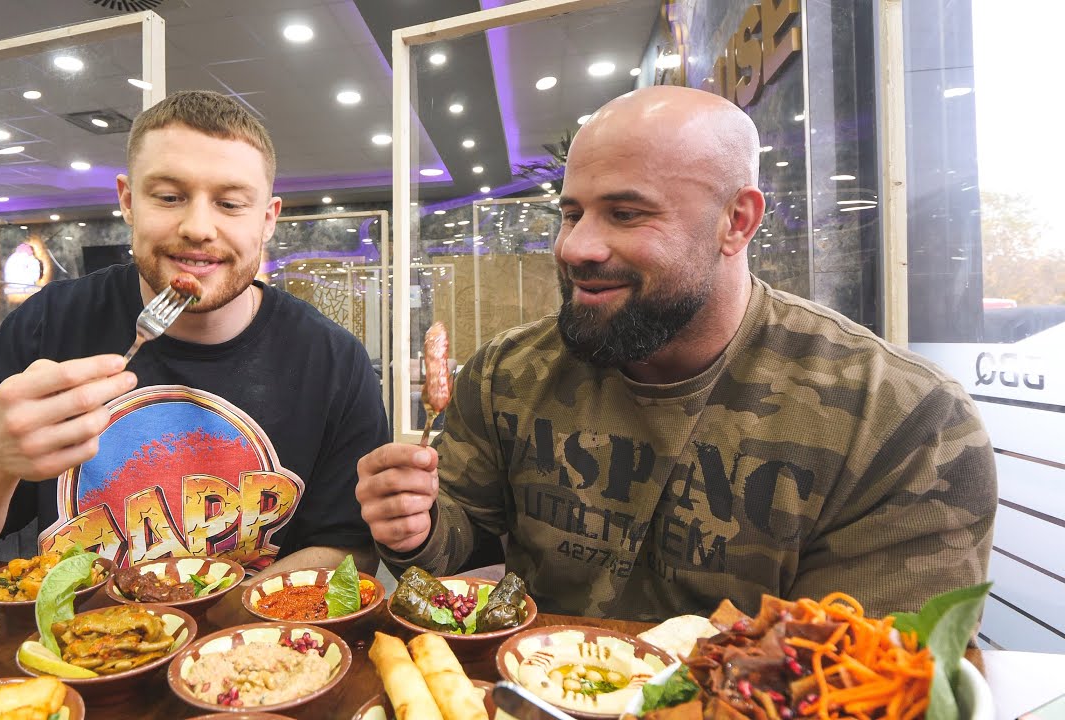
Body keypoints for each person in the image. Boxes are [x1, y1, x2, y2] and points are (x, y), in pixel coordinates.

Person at [356, 86, 996, 620]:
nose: (576, 247)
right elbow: (463, 551)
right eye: (571, 213)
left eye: (627, 214)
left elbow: (865, 677)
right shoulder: (508, 374)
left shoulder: (904, 423)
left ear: (736, 221)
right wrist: (415, 528)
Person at [0, 91, 388, 576]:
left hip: (250, 649)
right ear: (128, 201)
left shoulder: (334, 360)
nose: (198, 227)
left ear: (267, 219)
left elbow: (350, 549)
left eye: (231, 204)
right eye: (169, 197)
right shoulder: (50, 325)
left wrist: (203, 621)